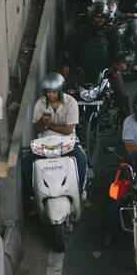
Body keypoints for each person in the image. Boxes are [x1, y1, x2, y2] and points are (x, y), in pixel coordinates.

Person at [21, 73, 89, 204]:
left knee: (81, 159)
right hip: (44, 144)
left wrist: (48, 125)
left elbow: (68, 130)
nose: (51, 95)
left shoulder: (71, 103)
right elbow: (36, 127)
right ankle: (33, 197)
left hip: (67, 143)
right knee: (26, 163)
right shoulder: (40, 104)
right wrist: (42, 122)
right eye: (48, 92)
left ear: (61, 91)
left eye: (54, 92)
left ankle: (79, 194)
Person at [62, 1, 128, 114]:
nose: (99, 20)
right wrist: (67, 63)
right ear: (91, 17)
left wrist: (121, 61)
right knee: (67, 94)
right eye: (97, 17)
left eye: (102, 17)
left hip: (107, 71)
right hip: (82, 71)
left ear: (106, 17)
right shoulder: (83, 31)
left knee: (121, 95)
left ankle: (126, 120)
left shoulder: (111, 31)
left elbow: (118, 48)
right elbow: (73, 47)